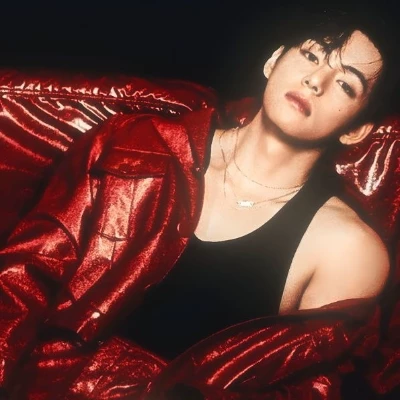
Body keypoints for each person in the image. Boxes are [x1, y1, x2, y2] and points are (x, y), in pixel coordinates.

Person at [0, 6, 399, 400]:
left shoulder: (348, 250)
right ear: (273, 60)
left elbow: (307, 390)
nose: (315, 81)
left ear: (356, 130)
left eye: (346, 84)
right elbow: (22, 281)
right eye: (311, 55)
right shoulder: (136, 144)